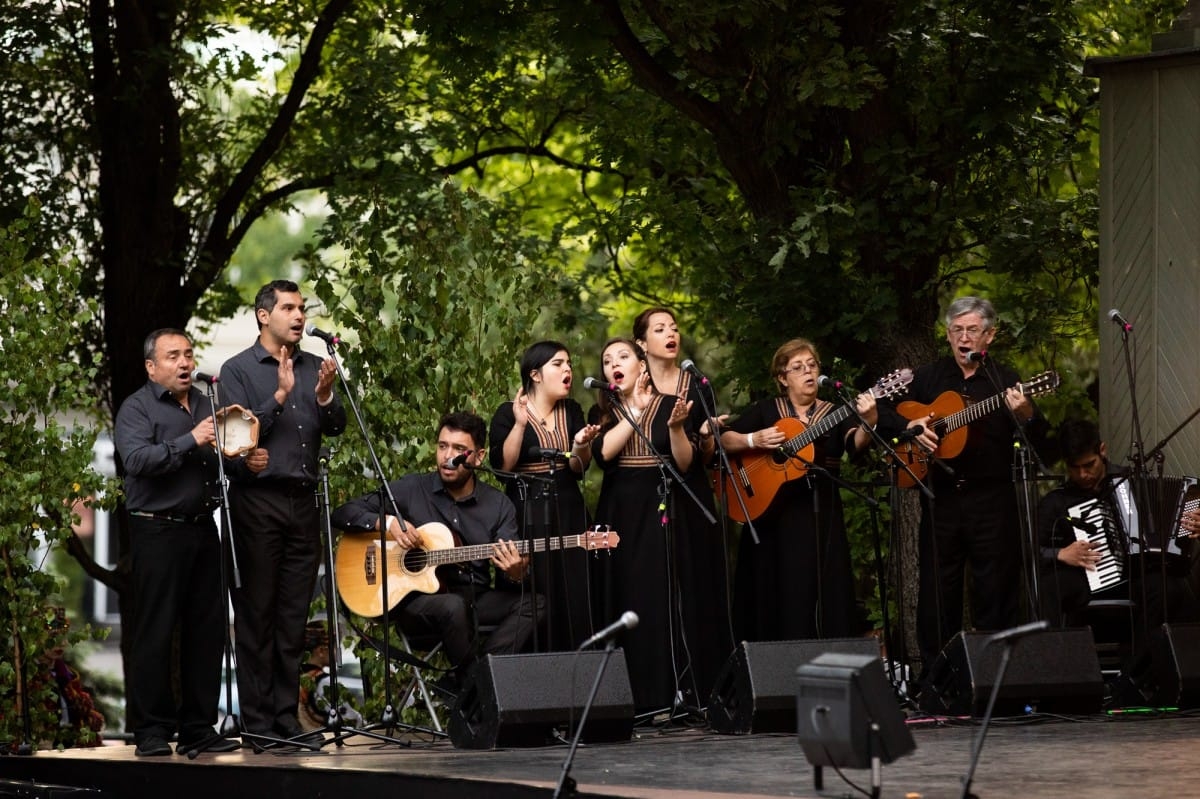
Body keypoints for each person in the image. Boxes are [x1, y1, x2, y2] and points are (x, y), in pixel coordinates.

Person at [114, 328, 261, 756]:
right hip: (156, 528)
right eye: (173, 356)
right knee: (156, 630)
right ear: (151, 366)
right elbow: (137, 460)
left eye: (188, 354)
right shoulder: (137, 408)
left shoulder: (206, 403)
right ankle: (152, 731)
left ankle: (199, 726)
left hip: (202, 527)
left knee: (207, 629)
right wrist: (190, 439)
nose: (184, 363)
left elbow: (222, 463)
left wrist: (248, 462)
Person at [877, 296, 1040, 675]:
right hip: (942, 500)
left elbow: (1042, 438)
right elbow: (882, 411)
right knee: (937, 592)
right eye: (957, 331)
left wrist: (1025, 414)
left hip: (992, 499)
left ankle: (995, 679)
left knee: (995, 591)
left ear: (990, 336)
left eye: (972, 330)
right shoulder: (929, 377)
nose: (964, 338)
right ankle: (939, 681)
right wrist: (911, 429)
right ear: (948, 336)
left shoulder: (1005, 380)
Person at [219, 281, 347, 747]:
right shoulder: (237, 370)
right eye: (289, 308)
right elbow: (233, 441)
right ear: (263, 315)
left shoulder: (315, 364)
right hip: (257, 502)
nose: (299, 316)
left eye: (302, 308)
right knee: (257, 616)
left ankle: (286, 721)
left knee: (294, 616)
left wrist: (327, 394)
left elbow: (335, 428)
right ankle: (256, 725)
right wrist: (277, 398)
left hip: (303, 502)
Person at [330, 411, 544, 691]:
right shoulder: (410, 489)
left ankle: (475, 679)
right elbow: (343, 513)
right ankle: (477, 694)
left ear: (478, 457)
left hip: (473, 599)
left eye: (458, 449)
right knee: (451, 606)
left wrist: (516, 572)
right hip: (414, 603)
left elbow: (509, 572)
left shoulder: (498, 505)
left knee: (535, 603)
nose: (447, 456)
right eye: (443, 446)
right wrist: (390, 522)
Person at [720, 338, 877, 641]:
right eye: (797, 367)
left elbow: (854, 445)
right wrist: (753, 440)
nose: (808, 372)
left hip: (822, 514)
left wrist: (869, 421)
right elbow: (724, 439)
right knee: (776, 594)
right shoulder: (767, 410)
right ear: (782, 378)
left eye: (812, 365)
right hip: (773, 518)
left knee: (827, 593)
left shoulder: (835, 412)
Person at [589, 337, 712, 715]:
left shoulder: (672, 405)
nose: (614, 365)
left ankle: (673, 694)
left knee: (661, 597)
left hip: (662, 505)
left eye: (622, 357)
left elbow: (686, 462)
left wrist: (676, 429)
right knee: (626, 597)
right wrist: (637, 413)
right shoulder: (604, 412)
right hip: (621, 511)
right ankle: (630, 698)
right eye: (607, 360)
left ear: (641, 364)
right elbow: (605, 454)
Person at [633, 308, 734, 705]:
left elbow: (702, 455)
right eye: (660, 329)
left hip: (690, 490)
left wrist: (708, 435)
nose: (671, 334)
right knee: (655, 589)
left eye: (674, 328)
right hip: (645, 493)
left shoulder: (697, 383)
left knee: (696, 584)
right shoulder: (632, 381)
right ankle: (657, 690)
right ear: (642, 343)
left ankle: (705, 687)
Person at [1038, 419, 1200, 640]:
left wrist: (1190, 524)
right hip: (1085, 578)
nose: (1083, 475)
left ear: (1102, 450)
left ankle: (1139, 672)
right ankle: (1056, 664)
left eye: (1089, 465)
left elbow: (1169, 522)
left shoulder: (1132, 480)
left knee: (1169, 590)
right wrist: (1059, 553)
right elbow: (1030, 551)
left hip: (1135, 576)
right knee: (1052, 584)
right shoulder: (1057, 501)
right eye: (1074, 469)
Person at [488, 341, 600, 650]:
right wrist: (520, 424)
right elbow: (502, 468)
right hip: (525, 512)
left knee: (576, 593)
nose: (568, 370)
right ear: (535, 374)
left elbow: (578, 468)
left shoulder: (572, 410)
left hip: (569, 511)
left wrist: (580, 444)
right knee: (534, 594)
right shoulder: (506, 413)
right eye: (559, 364)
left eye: (569, 364)